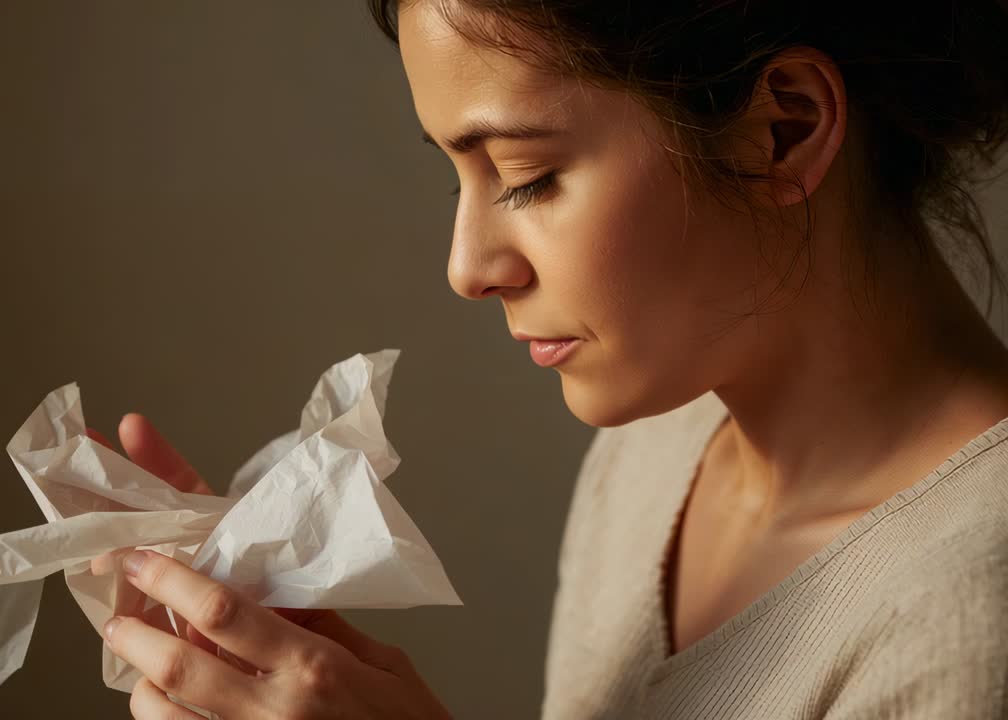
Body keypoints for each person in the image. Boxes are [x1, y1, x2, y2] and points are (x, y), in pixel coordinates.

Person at [90, 1, 1008, 717]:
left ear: (785, 128)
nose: (467, 268)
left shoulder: (970, 620)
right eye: (459, 174)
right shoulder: (656, 456)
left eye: (526, 175)